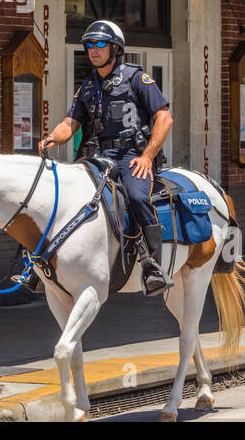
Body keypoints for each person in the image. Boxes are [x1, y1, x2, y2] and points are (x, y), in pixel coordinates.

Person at [39, 20, 175, 295]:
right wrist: (53, 137)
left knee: (136, 197)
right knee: (64, 193)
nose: (93, 49)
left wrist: (147, 156)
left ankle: (152, 266)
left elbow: (164, 117)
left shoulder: (137, 78)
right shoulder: (88, 87)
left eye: (100, 43)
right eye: (89, 44)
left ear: (115, 48)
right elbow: (70, 123)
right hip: (100, 155)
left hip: (131, 156)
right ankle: (40, 263)